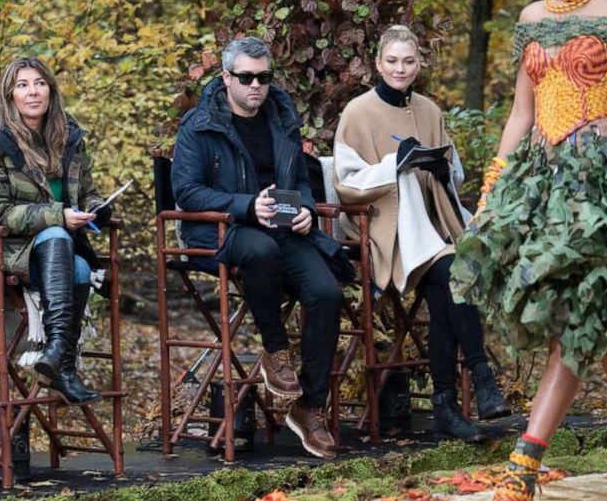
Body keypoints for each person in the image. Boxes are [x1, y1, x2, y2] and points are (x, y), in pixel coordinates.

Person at [449, 0, 607, 501]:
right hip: (540, 183)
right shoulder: (530, 16)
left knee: (581, 316)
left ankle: (523, 468)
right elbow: (521, 116)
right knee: (604, 327)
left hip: (602, 185)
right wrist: (492, 191)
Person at [171, 36, 352, 459]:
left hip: (288, 229)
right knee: (260, 250)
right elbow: (187, 192)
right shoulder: (199, 126)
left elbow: (303, 180)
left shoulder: (282, 117)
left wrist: (306, 209)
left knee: (327, 294)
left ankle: (310, 407)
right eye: (246, 77)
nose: (256, 85)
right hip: (228, 230)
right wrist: (246, 206)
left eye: (263, 77)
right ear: (226, 77)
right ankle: (275, 349)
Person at [333, 25, 510, 444]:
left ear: (419, 64)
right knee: (454, 272)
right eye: (392, 61)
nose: (400, 68)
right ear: (378, 63)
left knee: (450, 280)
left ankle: (449, 406)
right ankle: (480, 379)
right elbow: (346, 182)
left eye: (408, 61)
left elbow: (455, 170)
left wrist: (440, 169)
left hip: (436, 224)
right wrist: (397, 164)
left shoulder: (430, 110)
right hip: (384, 227)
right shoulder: (358, 112)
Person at [0, 57, 111, 406]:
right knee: (58, 235)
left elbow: (86, 190)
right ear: (10, 94)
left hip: (53, 250)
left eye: (40, 83)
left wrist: (98, 206)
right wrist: (58, 216)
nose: (33, 92)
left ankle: (62, 366)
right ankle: (61, 354)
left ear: (51, 90)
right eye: (23, 85)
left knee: (83, 268)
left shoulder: (68, 136)